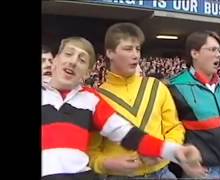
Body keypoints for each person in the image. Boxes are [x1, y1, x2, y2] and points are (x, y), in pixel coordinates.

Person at [42, 36, 202, 180]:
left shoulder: (92, 99)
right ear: (54, 60)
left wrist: (174, 151)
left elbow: (127, 133)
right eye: (68, 54)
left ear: (88, 72)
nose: (73, 61)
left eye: (82, 60)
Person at [88, 22, 189, 179]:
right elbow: (91, 151)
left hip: (162, 173)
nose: (135, 55)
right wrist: (107, 164)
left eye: (138, 49)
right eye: (128, 49)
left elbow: (174, 127)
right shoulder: (96, 98)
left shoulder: (156, 87)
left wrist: (164, 150)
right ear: (110, 53)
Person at [168, 31, 220, 179]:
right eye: (212, 50)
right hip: (200, 172)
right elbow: (169, 131)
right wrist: (183, 162)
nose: (219, 54)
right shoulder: (174, 87)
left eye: (219, 50)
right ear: (195, 53)